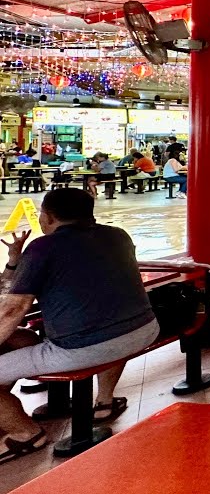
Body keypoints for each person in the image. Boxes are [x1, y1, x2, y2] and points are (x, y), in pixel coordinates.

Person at [0, 188, 159, 461]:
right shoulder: (117, 235)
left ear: (47, 217)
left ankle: (26, 433)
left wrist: (20, 260)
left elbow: (15, 306)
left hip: (86, 347)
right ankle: (104, 402)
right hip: (144, 329)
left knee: (50, 338)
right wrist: (16, 259)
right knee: (26, 338)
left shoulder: (43, 248)